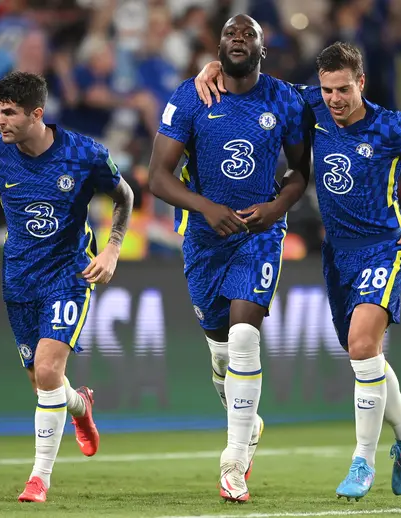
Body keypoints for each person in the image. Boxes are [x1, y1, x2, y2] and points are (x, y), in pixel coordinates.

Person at [194, 42, 401, 500]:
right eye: (327, 89)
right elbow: (260, 83)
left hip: (383, 249)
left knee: (361, 345)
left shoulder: (394, 127)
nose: (334, 98)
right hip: (337, 254)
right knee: (366, 353)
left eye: (343, 89)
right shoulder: (309, 102)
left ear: (361, 83)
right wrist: (217, 66)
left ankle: (362, 461)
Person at [148, 14, 311, 503]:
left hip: (258, 235)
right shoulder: (192, 96)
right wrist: (206, 207)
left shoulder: (285, 99)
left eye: (249, 36)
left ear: (263, 49)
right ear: (217, 46)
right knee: (221, 349)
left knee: (244, 335)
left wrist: (276, 208)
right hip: (203, 238)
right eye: (230, 35)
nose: (238, 40)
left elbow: (300, 172)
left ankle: (234, 460)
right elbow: (158, 175)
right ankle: (246, 422)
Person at [0, 71, 134, 503]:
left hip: (69, 273)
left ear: (36, 114)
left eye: (9, 113)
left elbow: (124, 196)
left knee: (46, 370)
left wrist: (113, 249)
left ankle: (39, 478)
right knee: (42, 379)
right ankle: (80, 406)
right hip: (19, 276)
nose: (0, 121)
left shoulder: (84, 153)